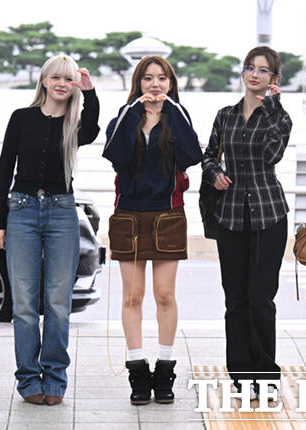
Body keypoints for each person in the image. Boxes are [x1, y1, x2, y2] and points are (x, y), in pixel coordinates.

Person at [0, 55, 99, 405]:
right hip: (21, 212)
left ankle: (54, 380)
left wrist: (90, 93)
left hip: (61, 213)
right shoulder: (21, 118)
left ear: (74, 85)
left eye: (68, 79)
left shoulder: (73, 123)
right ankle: (28, 379)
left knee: (57, 303)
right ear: (44, 80)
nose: (61, 84)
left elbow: (93, 130)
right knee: (24, 304)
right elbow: (5, 168)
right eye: (55, 77)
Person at [103, 56, 203, 405]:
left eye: (162, 78)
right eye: (148, 78)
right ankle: (137, 371)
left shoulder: (177, 117)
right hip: (129, 216)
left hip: (167, 215)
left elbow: (191, 156)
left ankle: (164, 369)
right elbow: (115, 157)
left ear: (171, 84)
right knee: (132, 296)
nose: (155, 84)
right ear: (138, 83)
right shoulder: (124, 116)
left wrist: (171, 109)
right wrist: (134, 112)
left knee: (164, 295)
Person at [201, 46, 292, 399]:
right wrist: (214, 173)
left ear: (274, 78)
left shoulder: (280, 118)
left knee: (261, 299)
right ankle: (240, 376)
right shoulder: (224, 115)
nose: (254, 74)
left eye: (263, 70)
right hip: (230, 215)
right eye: (250, 68)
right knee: (235, 299)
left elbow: (272, 155)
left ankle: (266, 376)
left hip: (269, 215)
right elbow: (208, 156)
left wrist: (271, 107)